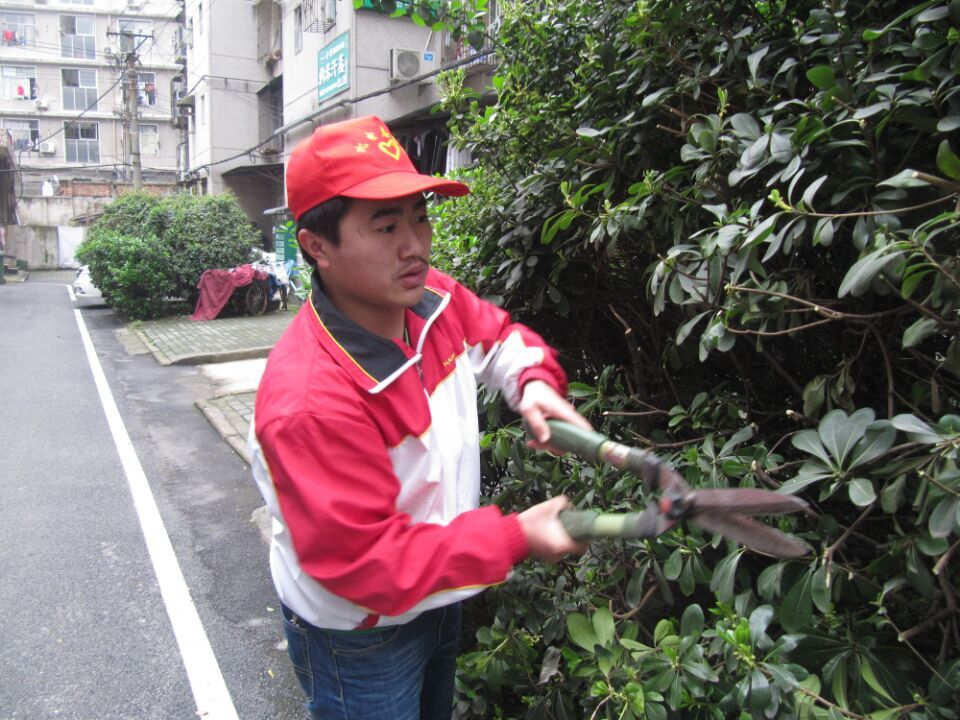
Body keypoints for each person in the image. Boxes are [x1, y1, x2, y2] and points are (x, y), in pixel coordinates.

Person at [249, 115, 592, 720]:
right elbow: (365, 561)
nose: (415, 245)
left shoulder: (428, 298)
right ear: (317, 246)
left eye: (419, 216)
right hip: (361, 633)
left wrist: (534, 386)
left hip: (439, 591)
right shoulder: (308, 401)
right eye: (386, 226)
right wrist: (514, 537)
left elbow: (498, 338)